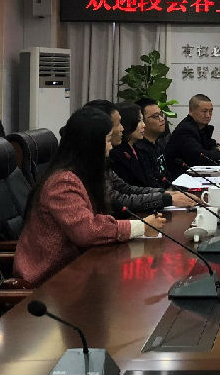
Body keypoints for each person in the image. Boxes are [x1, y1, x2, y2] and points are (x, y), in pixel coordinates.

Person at [14, 107, 166, 286]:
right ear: (91, 145)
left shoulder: (83, 174)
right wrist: (141, 226)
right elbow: (87, 231)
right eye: (107, 141)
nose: (111, 147)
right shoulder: (63, 182)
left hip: (78, 270)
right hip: (50, 282)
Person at [86, 99, 195, 211]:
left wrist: (166, 194)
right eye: (118, 124)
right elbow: (115, 200)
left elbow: (126, 188)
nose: (122, 128)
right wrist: (165, 198)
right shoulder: (110, 156)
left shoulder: (140, 148)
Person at [164, 93, 220, 179]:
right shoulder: (185, 130)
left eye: (210, 111)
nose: (208, 115)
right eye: (204, 111)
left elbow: (208, 145)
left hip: (194, 175)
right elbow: (200, 157)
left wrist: (218, 148)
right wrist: (219, 153)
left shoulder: (201, 127)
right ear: (191, 111)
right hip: (180, 179)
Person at [109, 102, 154, 189]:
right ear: (128, 122)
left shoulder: (137, 148)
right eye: (139, 121)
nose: (144, 125)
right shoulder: (117, 154)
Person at [134, 97, 170, 188]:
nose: (162, 119)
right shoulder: (140, 149)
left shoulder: (159, 144)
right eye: (156, 116)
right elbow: (150, 184)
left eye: (161, 114)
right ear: (142, 121)